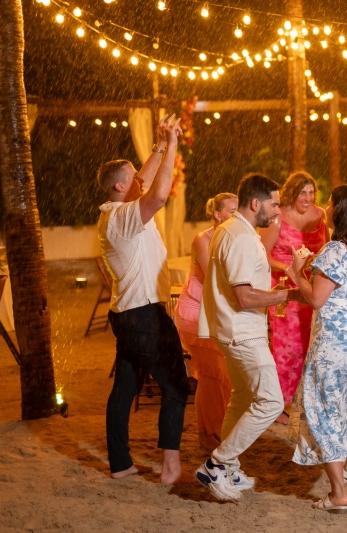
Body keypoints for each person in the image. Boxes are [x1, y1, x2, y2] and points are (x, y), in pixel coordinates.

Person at [96, 114, 191, 483]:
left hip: (129, 313)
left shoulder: (118, 212)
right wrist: (173, 150)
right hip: (144, 314)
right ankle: (170, 467)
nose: (140, 177)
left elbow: (147, 181)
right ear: (122, 186)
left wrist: (161, 145)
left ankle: (120, 463)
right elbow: (160, 192)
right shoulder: (123, 216)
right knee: (176, 386)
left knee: (125, 386)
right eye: (134, 175)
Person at [194, 173, 300, 501]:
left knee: (241, 399)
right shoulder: (239, 235)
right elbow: (244, 297)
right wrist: (287, 295)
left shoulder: (235, 230)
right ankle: (218, 464)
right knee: (270, 402)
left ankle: (229, 468)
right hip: (242, 331)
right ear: (255, 203)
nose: (278, 210)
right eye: (274, 203)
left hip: (235, 330)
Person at [286, 185, 347, 513]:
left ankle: (339, 492)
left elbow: (315, 299)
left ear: (340, 210)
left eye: (329, 201)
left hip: (336, 344)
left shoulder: (334, 251)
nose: (324, 206)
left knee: (322, 409)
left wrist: (295, 273)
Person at [260, 171, 329, 425]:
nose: (308, 197)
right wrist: (286, 267)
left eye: (311, 192)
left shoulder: (320, 216)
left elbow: (328, 249)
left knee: (311, 344)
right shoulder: (278, 218)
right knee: (286, 348)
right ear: (292, 193)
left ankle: (305, 400)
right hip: (284, 289)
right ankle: (278, 404)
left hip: (312, 288)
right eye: (303, 192)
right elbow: (262, 254)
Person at [174, 193, 238, 450]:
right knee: (213, 372)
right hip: (196, 313)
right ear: (217, 215)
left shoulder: (236, 239)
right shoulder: (203, 239)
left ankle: (215, 431)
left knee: (220, 373)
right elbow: (216, 276)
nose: (237, 216)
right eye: (232, 212)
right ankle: (210, 434)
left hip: (218, 313)